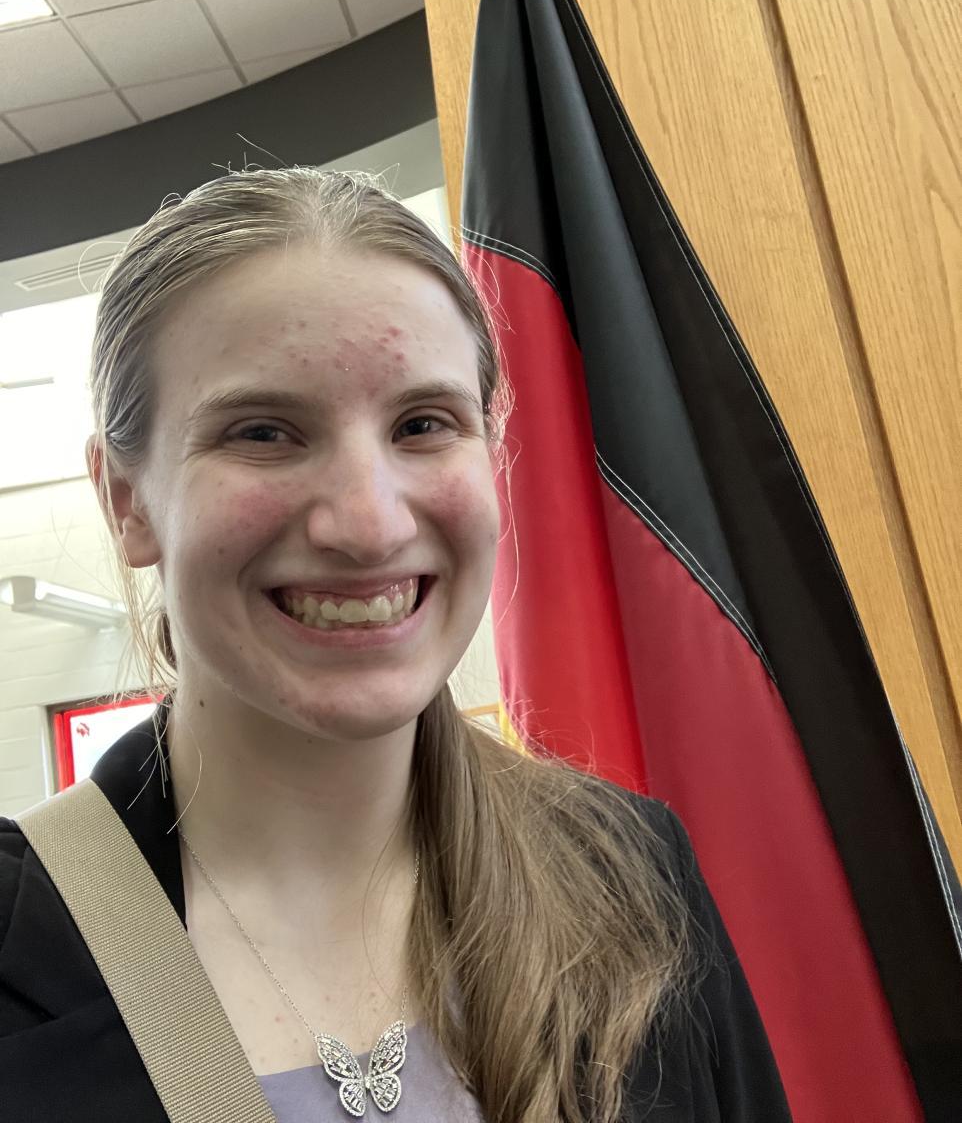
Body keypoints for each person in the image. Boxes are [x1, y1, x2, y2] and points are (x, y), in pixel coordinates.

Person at [0, 169, 792, 1122]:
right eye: (264, 433)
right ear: (127, 502)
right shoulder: (20, 946)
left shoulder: (633, 874)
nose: (370, 525)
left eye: (422, 425)